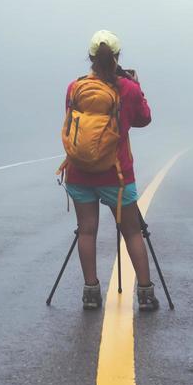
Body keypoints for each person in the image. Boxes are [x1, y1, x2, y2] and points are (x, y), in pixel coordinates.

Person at [62, 29, 156, 311]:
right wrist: (138, 87)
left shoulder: (75, 87)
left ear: (90, 57)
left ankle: (91, 292)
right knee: (132, 232)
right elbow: (144, 119)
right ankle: (145, 294)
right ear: (117, 57)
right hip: (117, 175)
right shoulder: (127, 89)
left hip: (79, 171)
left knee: (87, 231)